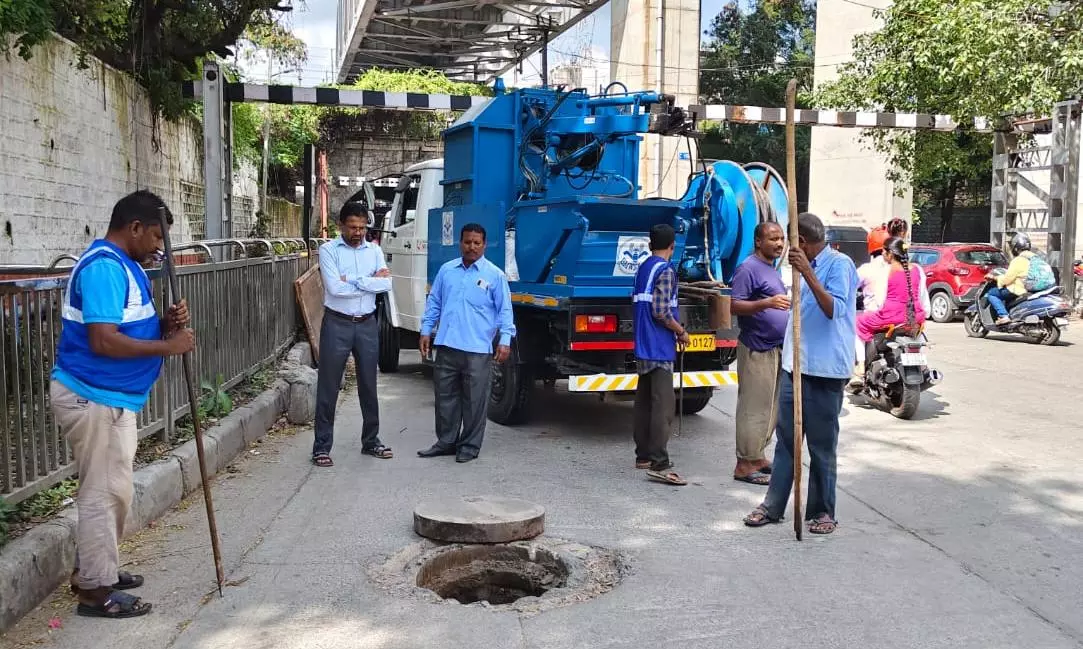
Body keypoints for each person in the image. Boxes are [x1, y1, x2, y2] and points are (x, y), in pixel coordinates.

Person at [51, 190, 195, 618]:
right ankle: (96, 591)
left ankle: (96, 570)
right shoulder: (104, 268)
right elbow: (103, 340)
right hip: (93, 396)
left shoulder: (126, 265)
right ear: (134, 228)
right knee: (103, 493)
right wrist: (169, 347)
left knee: (114, 491)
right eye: (156, 236)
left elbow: (127, 327)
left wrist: (164, 325)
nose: (159, 247)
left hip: (111, 398)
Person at [743, 212, 858, 535]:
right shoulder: (798, 268)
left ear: (802, 242)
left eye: (791, 241)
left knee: (821, 446)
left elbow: (834, 308)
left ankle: (822, 512)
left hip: (824, 371)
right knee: (786, 443)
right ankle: (773, 506)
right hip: (795, 367)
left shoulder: (839, 265)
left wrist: (807, 271)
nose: (786, 247)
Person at [418, 223, 515, 463]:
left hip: (477, 349)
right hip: (447, 345)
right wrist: (426, 330)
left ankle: (469, 446)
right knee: (445, 398)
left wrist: (505, 341)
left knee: (474, 401)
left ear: (484, 245)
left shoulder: (495, 275)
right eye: (467, 242)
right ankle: (446, 442)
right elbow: (434, 303)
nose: (472, 247)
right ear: (460, 243)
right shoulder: (447, 271)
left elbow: (505, 311)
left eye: (476, 243)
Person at [312, 202, 393, 467]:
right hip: (337, 324)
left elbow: (386, 284)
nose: (358, 233)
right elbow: (334, 289)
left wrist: (353, 280)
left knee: (369, 384)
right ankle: (321, 447)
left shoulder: (375, 250)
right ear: (341, 226)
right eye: (352, 227)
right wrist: (370, 281)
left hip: (367, 324)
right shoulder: (329, 250)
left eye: (362, 228)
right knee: (329, 386)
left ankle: (371, 441)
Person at [730, 222, 790, 485]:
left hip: (775, 348)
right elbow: (734, 305)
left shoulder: (771, 268)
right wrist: (767, 303)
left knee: (769, 408)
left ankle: (757, 457)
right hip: (756, 347)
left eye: (781, 238)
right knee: (753, 408)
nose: (779, 243)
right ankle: (744, 464)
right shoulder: (748, 268)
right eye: (773, 239)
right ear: (758, 241)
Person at [631, 223, 690, 486]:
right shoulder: (665, 270)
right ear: (672, 246)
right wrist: (681, 331)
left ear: (649, 244)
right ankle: (659, 460)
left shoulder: (643, 268)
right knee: (663, 405)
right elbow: (661, 310)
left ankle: (643, 455)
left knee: (644, 401)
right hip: (659, 345)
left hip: (643, 342)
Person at [857, 237, 926, 365]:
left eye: (884, 251)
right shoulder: (917, 269)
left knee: (858, 322)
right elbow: (922, 296)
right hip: (916, 316)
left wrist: (875, 310)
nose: (882, 253)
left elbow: (880, 299)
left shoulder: (887, 271)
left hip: (892, 317)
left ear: (891, 254)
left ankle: (860, 366)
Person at [986, 233, 1053, 326]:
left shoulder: (1018, 260)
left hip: (1018, 289)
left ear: (1016, 248)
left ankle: (1003, 315)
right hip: (1034, 289)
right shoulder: (1036, 258)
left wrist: (995, 277)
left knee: (992, 293)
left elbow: (1007, 279)